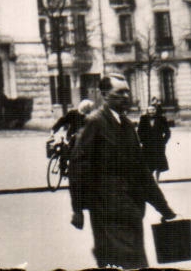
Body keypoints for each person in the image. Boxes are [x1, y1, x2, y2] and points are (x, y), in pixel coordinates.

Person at [69, 74, 179, 268]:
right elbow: (78, 167)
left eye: (127, 92)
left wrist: (164, 208)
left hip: (131, 210)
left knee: (133, 262)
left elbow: (141, 171)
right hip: (106, 210)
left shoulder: (127, 125)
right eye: (120, 92)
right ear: (104, 94)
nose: (126, 96)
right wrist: (77, 209)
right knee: (126, 263)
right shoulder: (95, 122)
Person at [137, 98, 173, 178]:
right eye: (149, 110)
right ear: (147, 111)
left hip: (158, 145)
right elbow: (139, 131)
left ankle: (157, 180)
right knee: (148, 164)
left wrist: (164, 141)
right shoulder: (143, 118)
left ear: (156, 110)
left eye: (153, 110)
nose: (151, 112)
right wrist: (142, 141)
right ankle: (150, 180)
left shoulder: (161, 119)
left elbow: (167, 132)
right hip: (147, 146)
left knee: (159, 164)